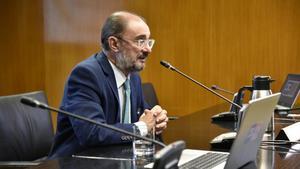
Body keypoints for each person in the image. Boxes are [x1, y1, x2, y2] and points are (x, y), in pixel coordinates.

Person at [49, 11, 168, 158]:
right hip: (78, 161)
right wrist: (142, 128)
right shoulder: (86, 75)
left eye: (149, 42)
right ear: (114, 44)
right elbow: (92, 132)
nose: (148, 49)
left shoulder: (133, 77)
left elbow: (144, 118)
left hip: (118, 159)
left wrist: (155, 119)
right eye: (140, 41)